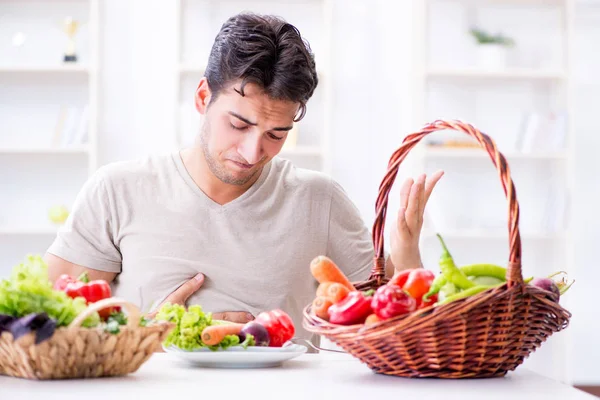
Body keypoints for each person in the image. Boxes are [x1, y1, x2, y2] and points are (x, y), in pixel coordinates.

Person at [44, 13, 443, 340]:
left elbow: (387, 331)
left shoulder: (319, 200)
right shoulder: (117, 190)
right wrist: (148, 334)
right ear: (203, 97)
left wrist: (405, 253)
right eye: (238, 124)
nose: (253, 153)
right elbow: (45, 325)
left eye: (276, 134)